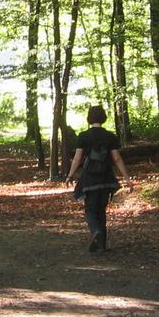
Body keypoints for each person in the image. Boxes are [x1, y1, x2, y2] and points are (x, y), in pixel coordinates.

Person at [65, 105, 131, 253]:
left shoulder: (83, 136)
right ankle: (101, 245)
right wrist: (127, 178)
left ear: (89, 117)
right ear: (103, 117)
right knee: (101, 210)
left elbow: (77, 158)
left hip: (90, 178)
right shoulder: (111, 136)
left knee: (90, 210)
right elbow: (117, 158)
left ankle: (95, 231)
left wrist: (70, 175)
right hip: (106, 177)